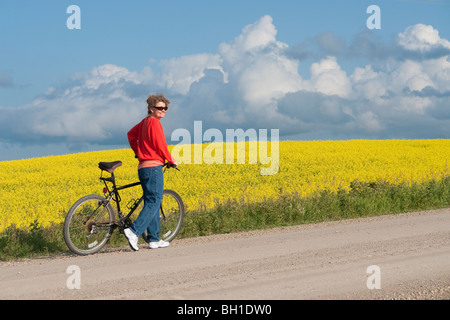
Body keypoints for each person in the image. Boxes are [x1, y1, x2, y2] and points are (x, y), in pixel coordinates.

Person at [123, 93, 177, 251]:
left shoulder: (144, 123)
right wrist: (170, 160)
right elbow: (161, 145)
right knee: (154, 200)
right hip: (153, 167)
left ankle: (154, 239)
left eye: (165, 108)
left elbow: (130, 135)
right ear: (151, 109)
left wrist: (138, 152)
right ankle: (134, 231)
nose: (163, 110)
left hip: (143, 167)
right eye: (160, 108)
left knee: (151, 201)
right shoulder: (154, 123)